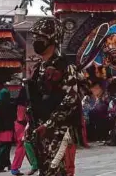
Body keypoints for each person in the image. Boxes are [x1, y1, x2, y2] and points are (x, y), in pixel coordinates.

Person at [24, 18, 87, 176]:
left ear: (52, 40)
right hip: (40, 132)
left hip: (59, 132)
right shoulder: (38, 69)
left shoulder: (66, 67)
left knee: (57, 171)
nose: (36, 41)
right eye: (35, 38)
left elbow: (71, 99)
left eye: (41, 38)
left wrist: (49, 123)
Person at [0, 88, 17, 173]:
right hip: (7, 130)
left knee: (2, 148)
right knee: (4, 148)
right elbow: (13, 116)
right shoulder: (9, 105)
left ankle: (7, 164)